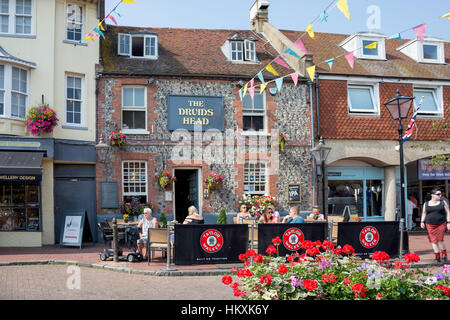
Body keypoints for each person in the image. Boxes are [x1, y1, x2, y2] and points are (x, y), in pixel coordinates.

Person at [420, 188, 450, 262]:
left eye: (440, 194)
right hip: (429, 224)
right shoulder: (426, 204)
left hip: (441, 223)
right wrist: (422, 221)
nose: (440, 195)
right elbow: (424, 213)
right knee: (433, 240)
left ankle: (444, 253)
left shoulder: (443, 202)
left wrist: (448, 222)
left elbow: (448, 212)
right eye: (438, 194)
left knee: (440, 239)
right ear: (432, 195)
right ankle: (437, 256)